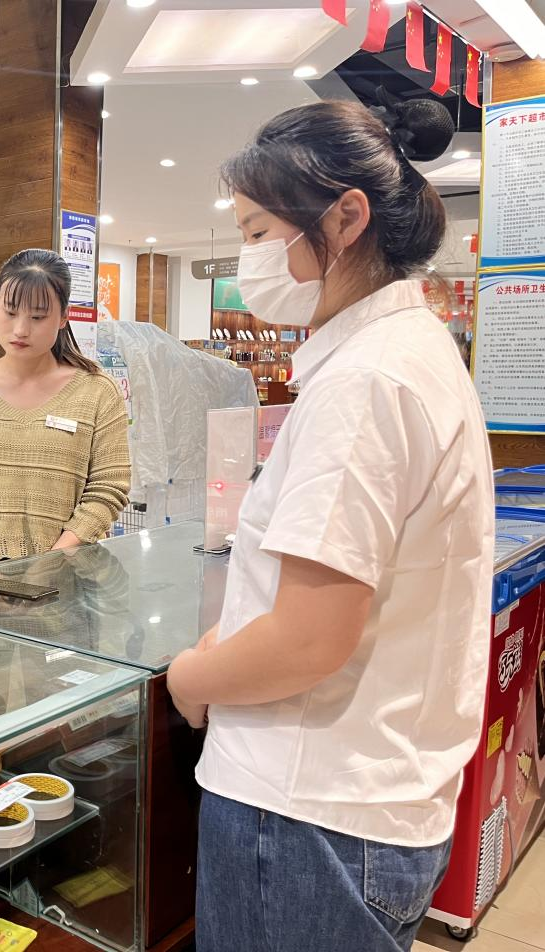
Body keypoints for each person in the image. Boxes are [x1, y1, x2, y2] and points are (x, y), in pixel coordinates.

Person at [166, 99, 494, 952]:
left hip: (306, 818)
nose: (249, 256)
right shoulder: (406, 353)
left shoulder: (364, 383)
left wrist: (191, 677)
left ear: (345, 218)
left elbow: (307, 640)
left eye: (257, 230)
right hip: (361, 805)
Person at [0, 248, 130, 567]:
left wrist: (54, 559)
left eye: (37, 317)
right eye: (10, 311)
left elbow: (109, 487)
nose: (20, 329)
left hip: (70, 578)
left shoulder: (97, 391)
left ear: (63, 317)